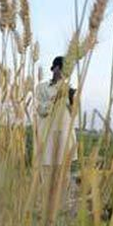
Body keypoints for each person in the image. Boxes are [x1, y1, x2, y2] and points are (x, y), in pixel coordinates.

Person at [35, 56, 78, 185]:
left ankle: (61, 203)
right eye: (64, 69)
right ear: (56, 68)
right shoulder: (42, 88)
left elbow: (74, 114)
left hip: (64, 138)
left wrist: (72, 99)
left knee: (63, 179)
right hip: (46, 138)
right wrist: (56, 97)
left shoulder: (70, 90)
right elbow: (41, 110)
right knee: (47, 179)